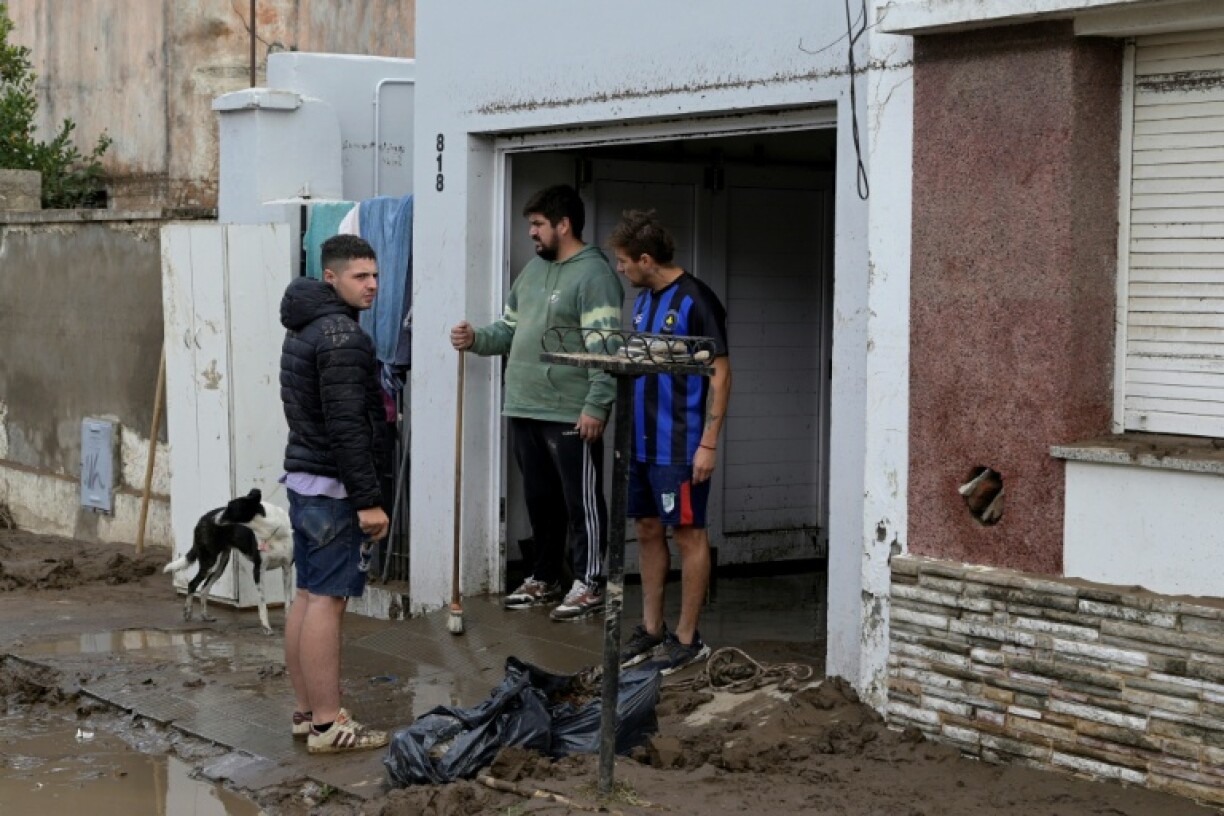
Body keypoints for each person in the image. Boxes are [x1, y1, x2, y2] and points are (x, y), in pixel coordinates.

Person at [450, 185, 623, 621]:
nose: (531, 232)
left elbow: (605, 347)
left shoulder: (595, 275)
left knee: (581, 501)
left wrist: (597, 404)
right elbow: (510, 329)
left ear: (563, 225)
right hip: (525, 405)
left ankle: (590, 582)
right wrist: (476, 339)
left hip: (570, 409)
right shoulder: (532, 271)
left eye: (538, 224)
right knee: (540, 500)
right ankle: (544, 577)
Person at [279, 234, 391, 753]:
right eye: (360, 276)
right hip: (333, 489)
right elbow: (348, 427)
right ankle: (328, 724)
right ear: (331, 277)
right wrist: (368, 499)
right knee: (327, 600)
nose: (372, 285)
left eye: (375, 275)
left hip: (306, 480)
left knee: (308, 595)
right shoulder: (343, 337)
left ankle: (308, 714)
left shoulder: (305, 325)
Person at [609, 210, 732, 675]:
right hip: (639, 442)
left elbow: (721, 373)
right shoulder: (643, 300)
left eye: (624, 261)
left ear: (646, 260)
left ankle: (687, 638)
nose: (620, 269)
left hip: (678, 444)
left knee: (687, 533)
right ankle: (651, 629)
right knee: (645, 528)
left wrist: (709, 442)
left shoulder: (697, 299)